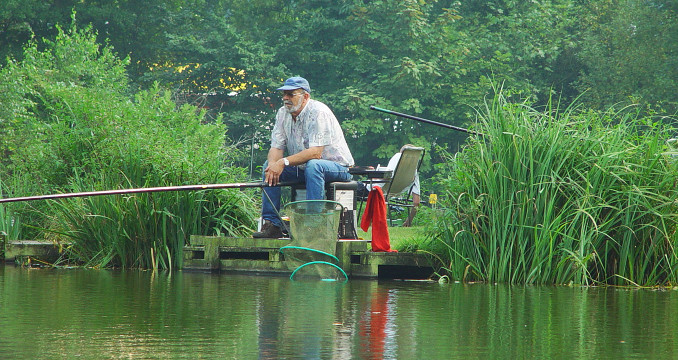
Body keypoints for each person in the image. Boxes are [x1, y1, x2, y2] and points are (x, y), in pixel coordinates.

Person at [253, 76, 355, 238]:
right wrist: (273, 165)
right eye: (284, 94)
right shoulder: (282, 113)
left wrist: (284, 161)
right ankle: (272, 224)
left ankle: (313, 225)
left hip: (337, 167)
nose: (285, 98)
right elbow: (276, 147)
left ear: (305, 96)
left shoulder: (318, 112)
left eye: (291, 94)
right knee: (269, 165)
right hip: (305, 167)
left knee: (314, 165)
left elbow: (316, 153)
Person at [357, 144, 421, 227]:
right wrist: (409, 221)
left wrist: (376, 176)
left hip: (371, 189)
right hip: (386, 192)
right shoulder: (414, 175)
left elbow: (387, 176)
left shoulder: (398, 156)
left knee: (342, 187)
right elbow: (416, 202)